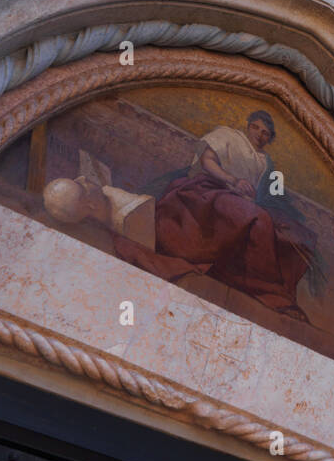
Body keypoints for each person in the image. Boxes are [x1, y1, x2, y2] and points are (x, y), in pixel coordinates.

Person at [113, 111, 317, 322]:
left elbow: (259, 192)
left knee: (293, 239)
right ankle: (271, 292)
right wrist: (233, 181)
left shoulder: (264, 161)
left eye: (266, 133)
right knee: (258, 219)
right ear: (249, 126)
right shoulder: (228, 136)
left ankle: (263, 286)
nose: (260, 134)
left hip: (237, 200)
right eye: (256, 128)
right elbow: (207, 161)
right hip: (205, 190)